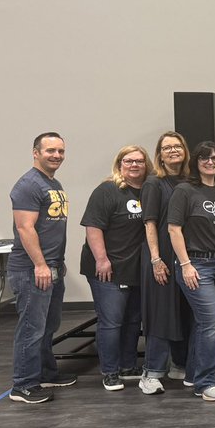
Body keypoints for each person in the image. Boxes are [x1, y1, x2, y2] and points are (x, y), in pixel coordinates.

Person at [8, 132, 76, 404]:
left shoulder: (53, 183)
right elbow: (25, 228)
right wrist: (40, 264)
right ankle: (23, 385)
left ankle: (46, 373)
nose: (56, 155)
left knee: (49, 326)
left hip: (51, 267)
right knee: (31, 328)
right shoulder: (27, 185)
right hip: (31, 269)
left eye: (60, 151)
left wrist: (57, 263)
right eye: (50, 151)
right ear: (36, 152)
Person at [167, 141, 215, 402]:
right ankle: (206, 383)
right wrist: (185, 265)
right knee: (209, 323)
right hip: (197, 265)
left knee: (202, 322)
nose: (210, 162)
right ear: (196, 162)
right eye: (205, 158)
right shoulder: (184, 191)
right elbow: (174, 229)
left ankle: (194, 374)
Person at [80, 145, 148, 392]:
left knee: (133, 320)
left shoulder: (148, 191)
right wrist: (102, 259)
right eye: (128, 161)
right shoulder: (107, 190)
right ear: (120, 164)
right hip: (107, 268)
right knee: (111, 322)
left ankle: (127, 366)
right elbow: (93, 227)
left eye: (139, 161)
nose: (134, 165)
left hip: (135, 267)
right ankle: (109, 372)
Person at [138, 132, 192, 395]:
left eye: (177, 146)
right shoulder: (153, 183)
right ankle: (151, 372)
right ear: (159, 154)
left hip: (186, 258)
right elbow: (149, 223)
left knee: (183, 312)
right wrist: (156, 260)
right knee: (160, 315)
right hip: (161, 258)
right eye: (167, 147)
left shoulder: (190, 181)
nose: (173, 151)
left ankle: (179, 364)